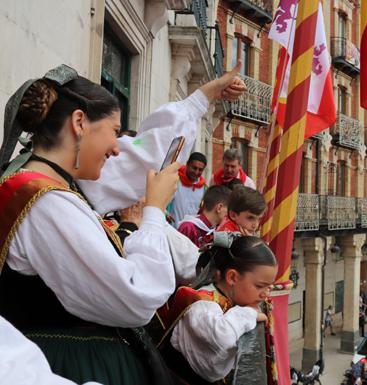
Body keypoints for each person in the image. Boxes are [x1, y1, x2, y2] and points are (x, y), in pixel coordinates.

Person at [0, 63, 245, 385]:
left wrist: (203, 97)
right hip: (67, 365)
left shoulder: (52, 180)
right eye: (114, 131)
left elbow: (141, 153)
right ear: (79, 123)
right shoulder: (47, 202)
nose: (117, 146)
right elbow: (136, 297)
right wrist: (154, 212)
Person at [153, 236, 276, 383]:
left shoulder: (231, 298)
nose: (266, 294)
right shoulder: (202, 304)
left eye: (269, 287)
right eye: (260, 286)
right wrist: (249, 313)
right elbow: (222, 336)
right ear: (232, 277)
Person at [168, 152, 208, 227]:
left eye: (200, 170)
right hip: (172, 231)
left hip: (190, 235)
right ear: (187, 164)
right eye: (194, 168)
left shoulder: (204, 189)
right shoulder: (174, 180)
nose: (196, 172)